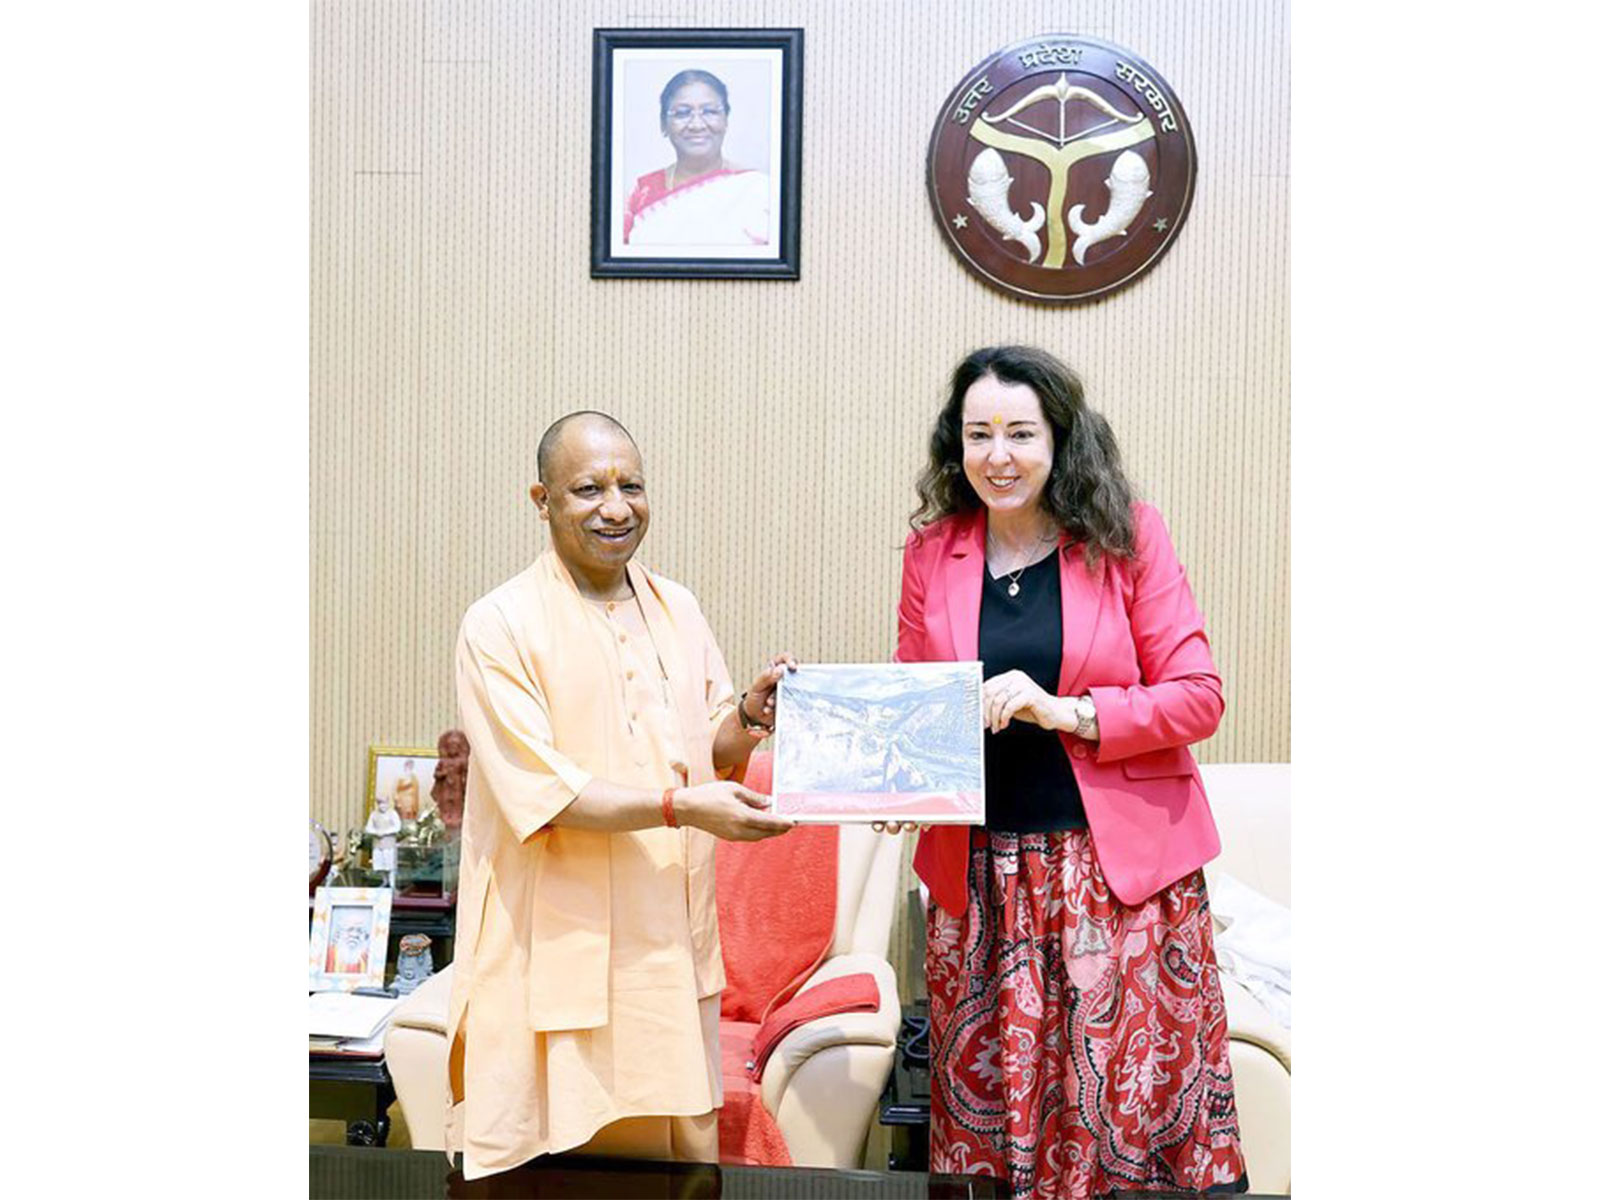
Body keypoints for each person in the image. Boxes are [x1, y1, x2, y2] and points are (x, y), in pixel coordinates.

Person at [895, 346, 1248, 1198]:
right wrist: (855, 750)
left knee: (1117, 1123)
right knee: (994, 1131)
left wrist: (1068, 710)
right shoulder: (933, 551)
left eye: (1020, 432)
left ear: (1060, 439)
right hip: (981, 883)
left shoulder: (1126, 536)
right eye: (978, 434)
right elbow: (913, 701)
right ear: (957, 445)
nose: (998, 455)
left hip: (1116, 881)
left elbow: (1198, 697)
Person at [444, 411, 795, 1179]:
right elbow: (545, 793)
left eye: (630, 485)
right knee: (548, 1173)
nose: (615, 506)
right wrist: (680, 808)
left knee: (672, 1177)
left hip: (665, 948)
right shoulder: (499, 624)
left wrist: (745, 717)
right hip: (551, 952)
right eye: (587, 489)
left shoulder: (679, 606)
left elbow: (707, 751)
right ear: (541, 499)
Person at [623, 69, 770, 246]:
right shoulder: (642, 193)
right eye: (682, 113)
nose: (696, 125)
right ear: (663, 124)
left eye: (709, 111)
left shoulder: (759, 191)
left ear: (726, 120)